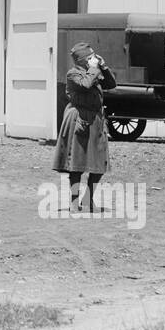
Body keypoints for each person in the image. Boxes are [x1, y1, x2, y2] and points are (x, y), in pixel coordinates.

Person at [53, 41, 117, 213]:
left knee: (98, 163)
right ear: (81, 60)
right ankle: (74, 202)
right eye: (90, 57)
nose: (93, 59)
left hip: (95, 118)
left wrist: (103, 67)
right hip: (79, 119)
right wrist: (94, 69)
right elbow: (85, 84)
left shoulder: (93, 70)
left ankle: (88, 200)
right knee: (77, 163)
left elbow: (111, 84)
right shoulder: (73, 73)